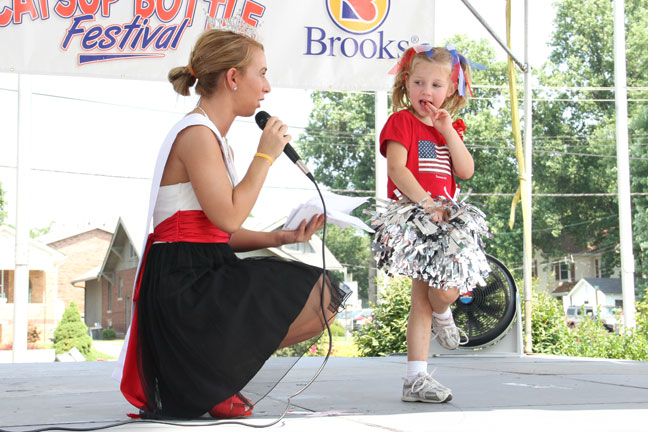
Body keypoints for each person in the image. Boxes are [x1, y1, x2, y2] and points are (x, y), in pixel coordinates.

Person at [113, 28, 346, 420]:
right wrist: (266, 157)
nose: (267, 87)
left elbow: (222, 231)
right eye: (262, 73)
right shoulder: (196, 135)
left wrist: (281, 236)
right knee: (307, 292)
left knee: (323, 300)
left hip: (206, 265)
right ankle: (208, 378)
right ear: (233, 77)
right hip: (182, 283)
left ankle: (213, 376)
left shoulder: (216, 139)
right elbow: (229, 215)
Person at [379, 44, 477, 404]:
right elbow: (397, 168)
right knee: (420, 299)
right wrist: (425, 203)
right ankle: (415, 379)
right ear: (406, 83)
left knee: (446, 291)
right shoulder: (401, 122)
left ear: (451, 89)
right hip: (417, 219)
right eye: (418, 83)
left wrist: (448, 130)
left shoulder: (450, 128)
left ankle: (445, 311)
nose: (426, 92)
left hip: (449, 221)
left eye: (436, 85)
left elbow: (465, 171)